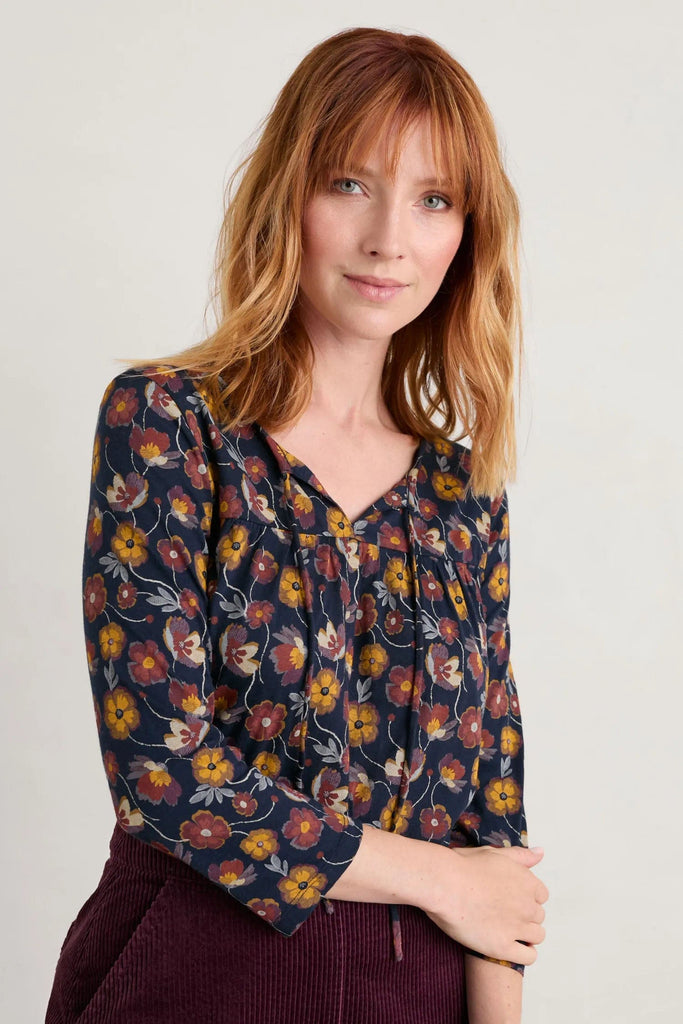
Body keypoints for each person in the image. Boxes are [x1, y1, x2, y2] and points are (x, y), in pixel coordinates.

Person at [45, 26, 548, 1024]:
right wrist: (435, 879)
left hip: (416, 993)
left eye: (433, 199)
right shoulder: (169, 424)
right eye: (349, 184)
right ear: (289, 195)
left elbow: (492, 827)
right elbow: (163, 774)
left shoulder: (463, 495)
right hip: (192, 979)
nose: (388, 239)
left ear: (468, 232)